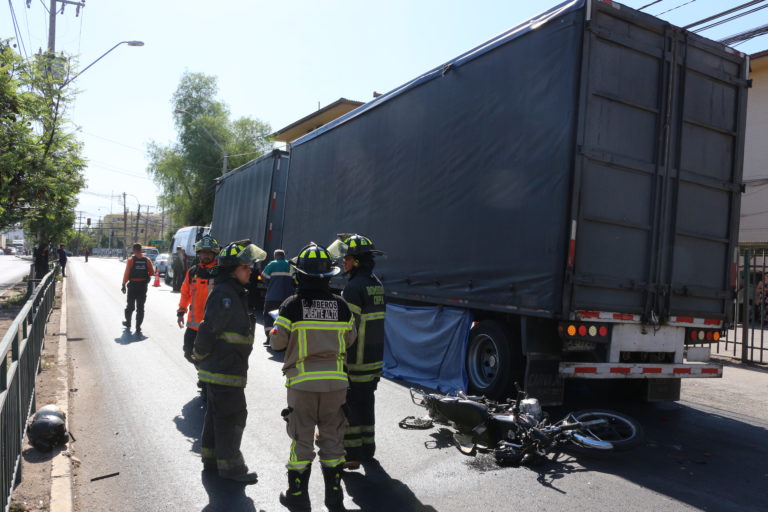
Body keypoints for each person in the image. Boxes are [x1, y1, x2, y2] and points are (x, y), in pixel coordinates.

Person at [270, 243, 356, 511]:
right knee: (332, 439)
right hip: (336, 386)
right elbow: (351, 339)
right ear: (329, 276)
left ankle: (297, 496)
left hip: (302, 386)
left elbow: (277, 344)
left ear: (300, 275)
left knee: (302, 440)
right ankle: (334, 496)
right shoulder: (342, 307)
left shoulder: (291, 306)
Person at [193, 240, 266, 484]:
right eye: (246, 267)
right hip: (225, 370)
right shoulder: (226, 294)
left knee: (217, 415)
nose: (251, 271)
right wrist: (200, 355)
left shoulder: (233, 292)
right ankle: (232, 469)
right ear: (232, 269)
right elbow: (209, 328)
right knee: (233, 416)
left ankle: (212, 460)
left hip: (225, 368)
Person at [334, 234, 386, 469]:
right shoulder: (376, 283)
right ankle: (367, 448)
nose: (343, 262)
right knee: (367, 403)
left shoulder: (353, 287)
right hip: (374, 360)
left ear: (356, 261)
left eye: (347, 258)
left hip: (356, 360)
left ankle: (353, 453)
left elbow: (349, 329)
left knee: (351, 406)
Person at [177, 235, 220, 399]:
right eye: (203, 252)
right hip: (194, 326)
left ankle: (206, 382)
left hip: (212, 327)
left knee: (209, 356)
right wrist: (181, 311)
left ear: (214, 254)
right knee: (189, 353)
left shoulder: (220, 273)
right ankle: (203, 375)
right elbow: (185, 293)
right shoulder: (193, 272)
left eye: (209, 253)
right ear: (198, 253)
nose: (205, 255)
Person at [260, 249, 294, 340]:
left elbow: (263, 277)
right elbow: (295, 280)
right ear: (283, 256)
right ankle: (284, 338)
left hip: (272, 296)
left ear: (275, 256)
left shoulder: (272, 264)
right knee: (284, 318)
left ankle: (270, 338)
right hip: (287, 298)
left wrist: (269, 285)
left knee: (268, 316)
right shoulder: (290, 265)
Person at [121, 243, 155, 334]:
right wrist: (146, 279)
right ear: (141, 250)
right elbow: (152, 273)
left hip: (132, 286)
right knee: (140, 308)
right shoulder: (147, 260)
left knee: (130, 306)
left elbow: (127, 273)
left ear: (134, 250)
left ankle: (128, 323)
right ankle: (138, 327)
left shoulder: (131, 260)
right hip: (142, 287)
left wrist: (123, 284)